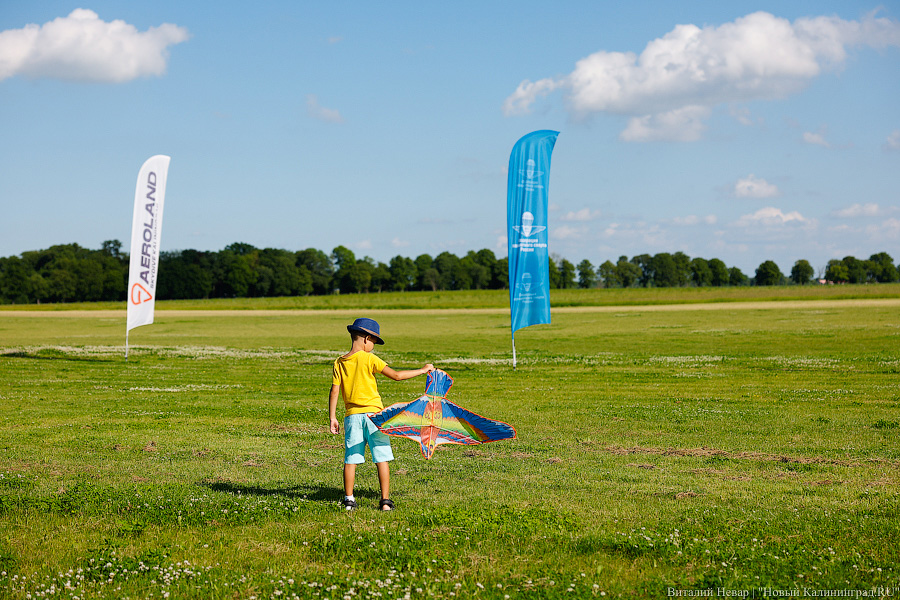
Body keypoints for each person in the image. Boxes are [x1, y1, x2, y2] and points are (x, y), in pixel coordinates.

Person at [328, 317, 434, 511]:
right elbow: (396, 376)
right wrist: (423, 370)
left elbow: (334, 391)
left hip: (352, 417)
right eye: (374, 343)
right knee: (381, 457)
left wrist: (332, 417)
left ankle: (349, 500)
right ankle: (385, 501)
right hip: (376, 418)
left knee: (351, 459)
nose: (373, 347)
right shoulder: (369, 358)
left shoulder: (339, 362)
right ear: (367, 339)